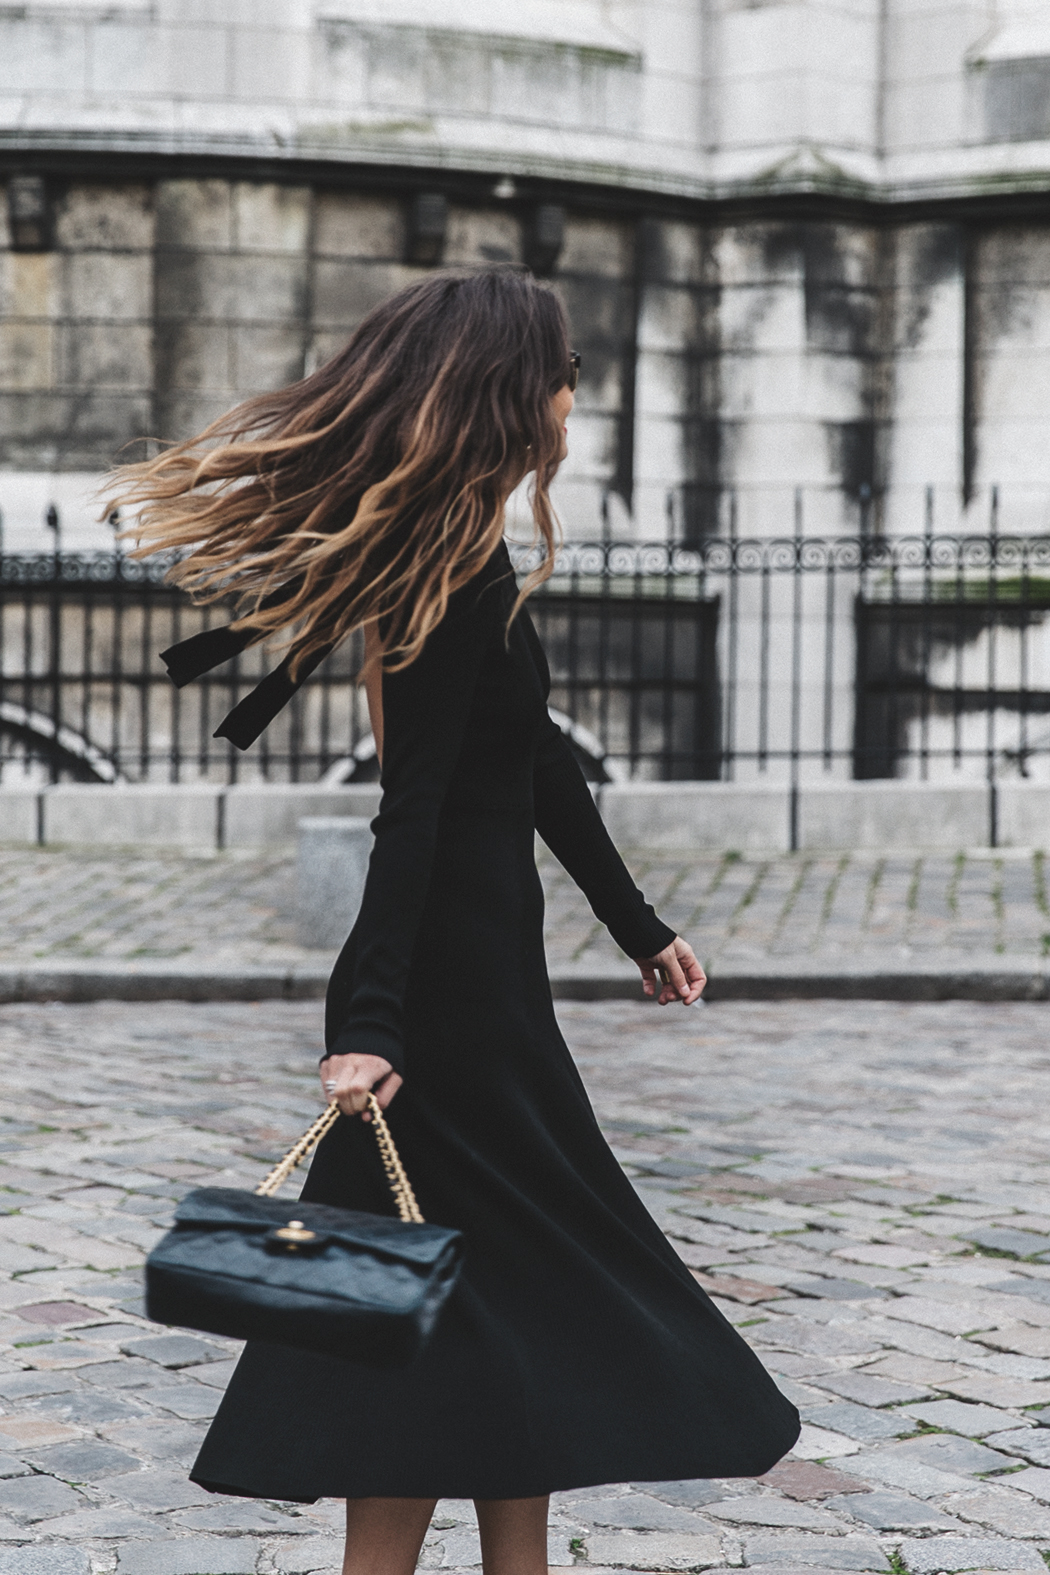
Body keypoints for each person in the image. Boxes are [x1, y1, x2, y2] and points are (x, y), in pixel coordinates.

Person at [105, 267, 799, 1575]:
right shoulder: (450, 578)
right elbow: (409, 810)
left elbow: (534, 767)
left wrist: (637, 924)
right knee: (454, 1293)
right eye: (562, 372)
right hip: (447, 1007)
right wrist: (367, 1023)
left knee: (473, 1302)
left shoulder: (463, 560)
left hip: (483, 987)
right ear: (507, 396)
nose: (573, 396)